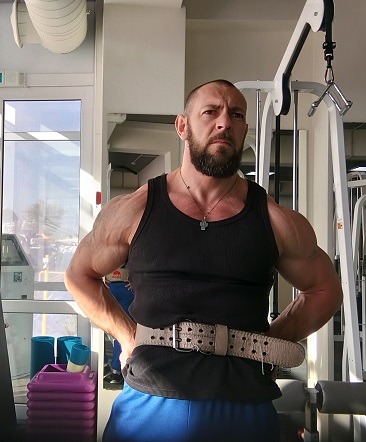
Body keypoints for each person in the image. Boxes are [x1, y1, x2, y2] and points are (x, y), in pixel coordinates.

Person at [64, 79, 343, 442]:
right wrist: (126, 335)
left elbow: (324, 290)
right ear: (183, 126)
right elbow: (79, 275)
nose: (224, 122)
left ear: (243, 129)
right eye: (211, 112)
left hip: (243, 403)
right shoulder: (133, 209)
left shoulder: (276, 220)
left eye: (236, 115)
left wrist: (270, 344)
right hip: (150, 398)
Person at [103, 266, 134, 385]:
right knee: (100, 331)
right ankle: (107, 367)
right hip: (108, 288)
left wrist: (135, 280)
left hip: (124, 289)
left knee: (122, 331)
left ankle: (116, 370)